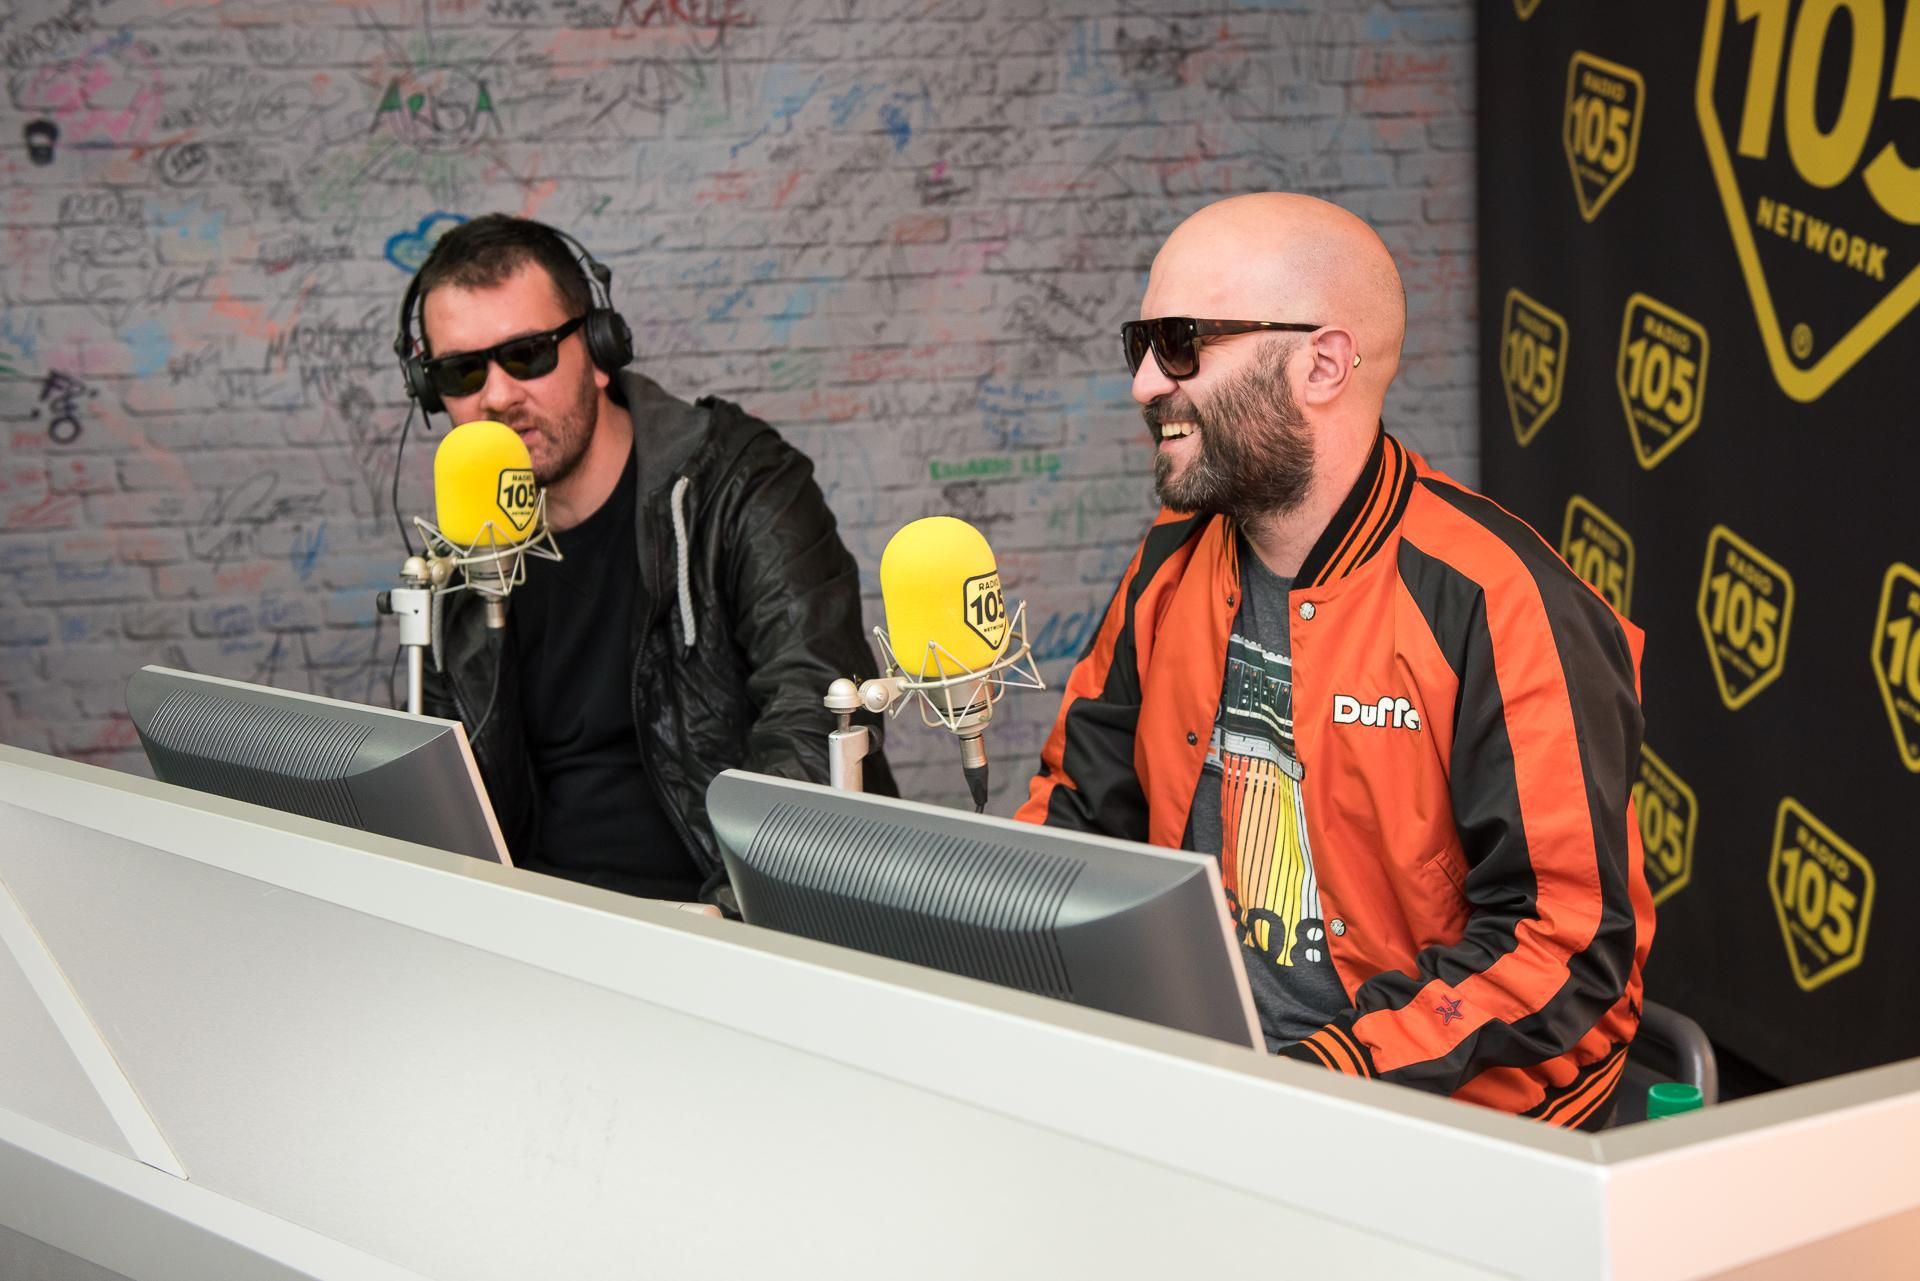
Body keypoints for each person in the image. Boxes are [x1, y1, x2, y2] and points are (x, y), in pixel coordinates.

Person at [1017, 194, 1654, 1128]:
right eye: (1140, 346)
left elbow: (1565, 946)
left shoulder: (1500, 601)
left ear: (1321, 363)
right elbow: (1077, 813)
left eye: (1181, 343)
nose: (1146, 383)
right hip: (1202, 1088)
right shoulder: (1171, 560)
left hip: (1433, 1123)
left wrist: (1321, 1080)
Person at [405, 214, 893, 908]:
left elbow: (817, 718)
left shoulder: (741, 488)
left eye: (528, 354)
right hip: (534, 925)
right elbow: (438, 789)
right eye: (461, 371)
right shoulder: (457, 551)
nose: (498, 396)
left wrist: (729, 917)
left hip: (725, 915)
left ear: (601, 350)